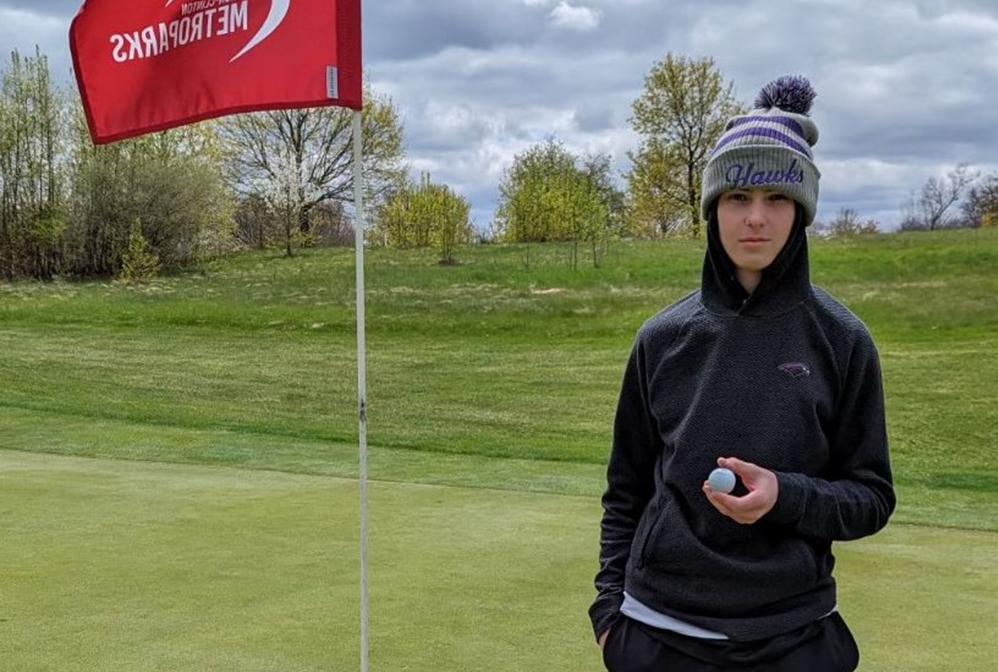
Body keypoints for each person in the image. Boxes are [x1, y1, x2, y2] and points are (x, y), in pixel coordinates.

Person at [589, 75, 896, 671]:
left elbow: (871, 497)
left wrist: (785, 495)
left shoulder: (843, 340)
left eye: (777, 198)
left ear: (802, 210)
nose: (756, 218)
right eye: (737, 197)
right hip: (657, 632)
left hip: (796, 632)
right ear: (712, 207)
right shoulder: (661, 337)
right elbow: (625, 489)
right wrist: (609, 619)